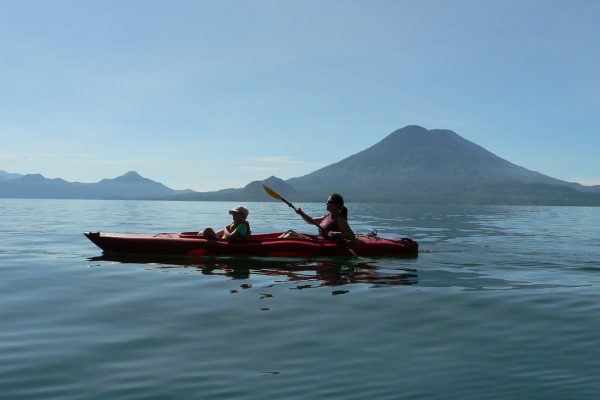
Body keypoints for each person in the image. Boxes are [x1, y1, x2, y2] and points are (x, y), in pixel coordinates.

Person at [280, 193, 356, 240]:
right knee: (289, 231)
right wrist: (300, 212)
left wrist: (335, 233)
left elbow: (351, 236)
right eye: (327, 201)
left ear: (337, 205)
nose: (327, 203)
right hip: (316, 239)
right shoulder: (326, 216)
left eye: (329, 202)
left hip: (321, 243)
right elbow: (311, 220)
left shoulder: (340, 219)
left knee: (290, 234)